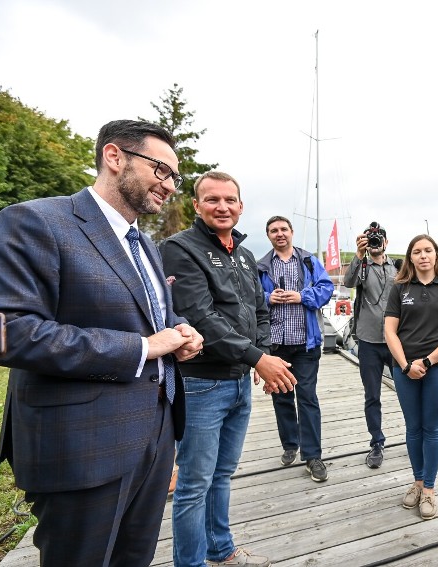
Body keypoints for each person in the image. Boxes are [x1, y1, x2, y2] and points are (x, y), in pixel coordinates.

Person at [0, 119, 204, 566]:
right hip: (82, 447)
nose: (171, 186)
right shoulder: (36, 221)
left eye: (175, 177)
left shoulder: (145, 245)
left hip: (155, 442)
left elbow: (148, 315)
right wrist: (142, 348)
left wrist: (180, 331)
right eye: (162, 170)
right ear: (114, 157)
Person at [161, 172, 297, 567]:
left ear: (240, 206)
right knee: (193, 484)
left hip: (239, 380)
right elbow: (199, 316)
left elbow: (260, 310)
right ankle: (191, 562)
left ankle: (221, 551)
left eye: (230, 200)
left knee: (222, 475)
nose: (222, 207)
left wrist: (262, 355)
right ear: (197, 205)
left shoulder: (244, 254)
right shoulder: (179, 249)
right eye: (212, 199)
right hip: (202, 383)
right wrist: (258, 358)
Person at [383, 234, 438, 520]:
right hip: (404, 369)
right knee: (413, 428)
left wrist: (428, 361)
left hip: (437, 369)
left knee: (432, 428)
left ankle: (429, 488)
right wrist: (406, 365)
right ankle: (417, 482)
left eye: (428, 250)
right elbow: (390, 331)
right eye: (416, 251)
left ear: (436, 255)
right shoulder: (399, 289)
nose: (423, 256)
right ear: (410, 258)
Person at [256, 216, 334, 482]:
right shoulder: (261, 266)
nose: (280, 234)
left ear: (291, 232)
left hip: (305, 343)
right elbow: (250, 298)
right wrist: (269, 298)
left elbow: (327, 288)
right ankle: (290, 444)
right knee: (281, 397)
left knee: (308, 397)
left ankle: (313, 456)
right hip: (276, 344)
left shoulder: (309, 260)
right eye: (274, 231)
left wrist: (303, 296)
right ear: (268, 236)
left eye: (283, 229)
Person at [343, 222, 397, 468]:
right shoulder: (361, 266)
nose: (375, 243)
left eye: (378, 239)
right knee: (372, 396)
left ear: (386, 242)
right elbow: (348, 283)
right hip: (369, 342)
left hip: (397, 341)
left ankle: (414, 436)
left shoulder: (398, 267)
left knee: (408, 392)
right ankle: (377, 442)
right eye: (371, 239)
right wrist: (358, 254)